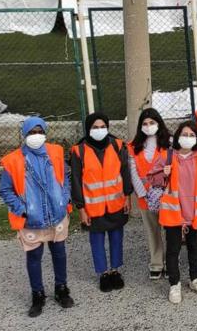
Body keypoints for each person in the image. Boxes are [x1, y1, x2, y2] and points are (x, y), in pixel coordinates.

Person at [0, 116, 75, 317]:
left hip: (57, 215)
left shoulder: (56, 152)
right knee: (34, 257)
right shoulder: (13, 160)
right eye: (32, 133)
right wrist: (22, 209)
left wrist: (65, 198)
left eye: (40, 131)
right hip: (31, 220)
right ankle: (37, 294)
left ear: (45, 133)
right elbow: (6, 190)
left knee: (59, 253)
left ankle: (61, 289)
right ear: (25, 135)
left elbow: (65, 177)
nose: (36, 136)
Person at [70, 112, 133, 293]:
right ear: (88, 129)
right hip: (93, 207)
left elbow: (125, 172)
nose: (99, 130)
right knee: (96, 241)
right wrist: (81, 208)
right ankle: (103, 273)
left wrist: (127, 196)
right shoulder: (78, 150)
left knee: (116, 238)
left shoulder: (117, 145)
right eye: (95, 127)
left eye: (102, 127)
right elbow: (75, 180)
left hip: (116, 203)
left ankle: (115, 270)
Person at [153, 121, 197, 304]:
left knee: (195, 247)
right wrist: (163, 173)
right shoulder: (167, 156)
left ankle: (195, 279)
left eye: (192, 135)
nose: (187, 138)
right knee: (173, 250)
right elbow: (152, 179)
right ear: (177, 136)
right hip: (173, 214)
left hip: (195, 213)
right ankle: (175, 284)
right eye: (184, 134)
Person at [128, 108, 170, 280]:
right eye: (145, 124)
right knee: (152, 230)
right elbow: (132, 171)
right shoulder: (133, 147)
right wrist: (143, 193)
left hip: (167, 195)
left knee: (169, 230)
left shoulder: (169, 143)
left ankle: (169, 262)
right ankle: (156, 263)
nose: (148, 126)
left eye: (152, 123)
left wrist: (166, 191)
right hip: (145, 197)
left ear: (158, 123)